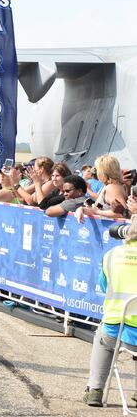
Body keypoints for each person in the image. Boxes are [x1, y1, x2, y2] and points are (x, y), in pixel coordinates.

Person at [82, 218, 137, 407]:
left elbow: (104, 286)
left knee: (102, 340)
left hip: (115, 326)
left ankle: (95, 390)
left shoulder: (112, 254)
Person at [75, 155, 130, 222]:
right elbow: (102, 208)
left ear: (102, 171)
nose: (95, 173)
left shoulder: (112, 188)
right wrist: (82, 209)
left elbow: (122, 213)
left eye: (96, 170)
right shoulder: (111, 185)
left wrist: (98, 212)